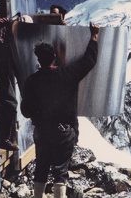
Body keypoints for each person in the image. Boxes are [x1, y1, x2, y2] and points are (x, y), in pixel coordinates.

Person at [21, 23, 100, 198]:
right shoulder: (67, 75)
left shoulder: (32, 81)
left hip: (42, 131)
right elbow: (89, 61)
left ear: (38, 60)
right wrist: (94, 36)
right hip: (63, 132)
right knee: (60, 172)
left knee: (41, 168)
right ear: (54, 58)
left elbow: (25, 111)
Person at [0, 17, 19, 152]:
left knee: (10, 104)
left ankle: (5, 137)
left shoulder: (0, 41)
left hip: (3, 76)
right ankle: (4, 138)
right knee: (10, 104)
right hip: (0, 77)